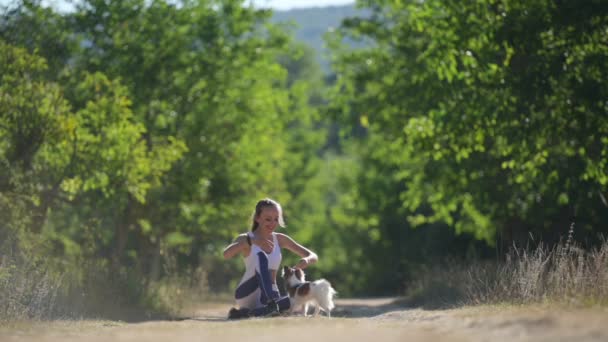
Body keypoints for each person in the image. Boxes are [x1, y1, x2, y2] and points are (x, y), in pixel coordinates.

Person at [223, 198, 318, 319]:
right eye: (268, 219)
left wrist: (306, 260)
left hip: (272, 294)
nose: (273, 223)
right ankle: (271, 305)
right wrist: (253, 241)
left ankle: (248, 313)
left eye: (276, 219)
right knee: (261, 256)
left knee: (295, 300)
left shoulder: (279, 239)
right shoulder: (246, 238)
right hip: (247, 293)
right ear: (257, 218)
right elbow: (226, 254)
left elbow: (313, 255)